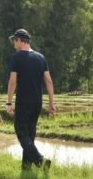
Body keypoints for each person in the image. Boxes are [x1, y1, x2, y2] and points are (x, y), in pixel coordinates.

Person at [5, 28, 57, 170]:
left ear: (20, 40)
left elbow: (13, 81)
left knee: (21, 132)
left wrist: (9, 102)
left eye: (14, 41)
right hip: (37, 103)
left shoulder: (17, 57)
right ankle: (26, 167)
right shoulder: (41, 57)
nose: (14, 44)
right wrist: (51, 103)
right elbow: (49, 81)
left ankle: (41, 161)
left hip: (23, 101)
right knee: (30, 134)